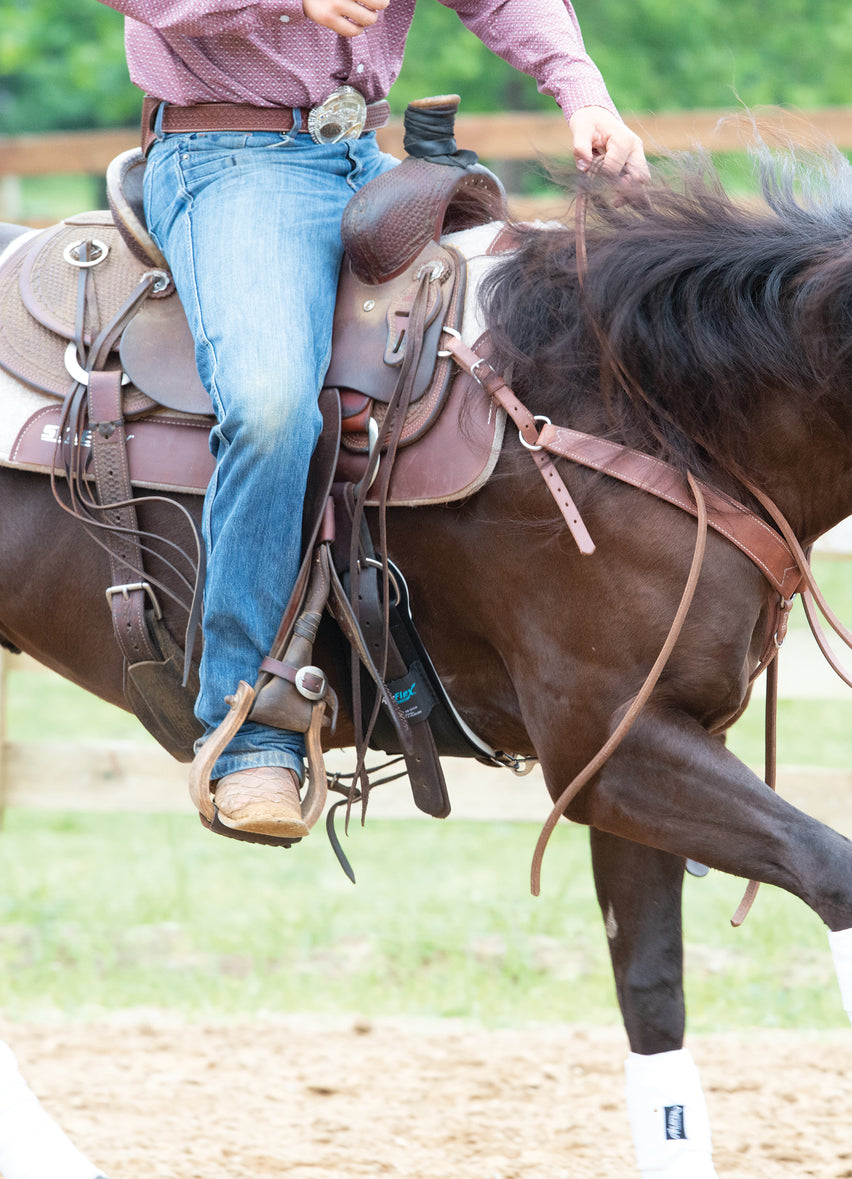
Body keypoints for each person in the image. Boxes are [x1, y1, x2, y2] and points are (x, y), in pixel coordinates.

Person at [101, 0, 647, 839]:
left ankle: (617, 698)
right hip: (227, 158)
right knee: (272, 408)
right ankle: (245, 730)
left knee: (550, 342)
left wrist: (582, 92)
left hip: (366, 156)